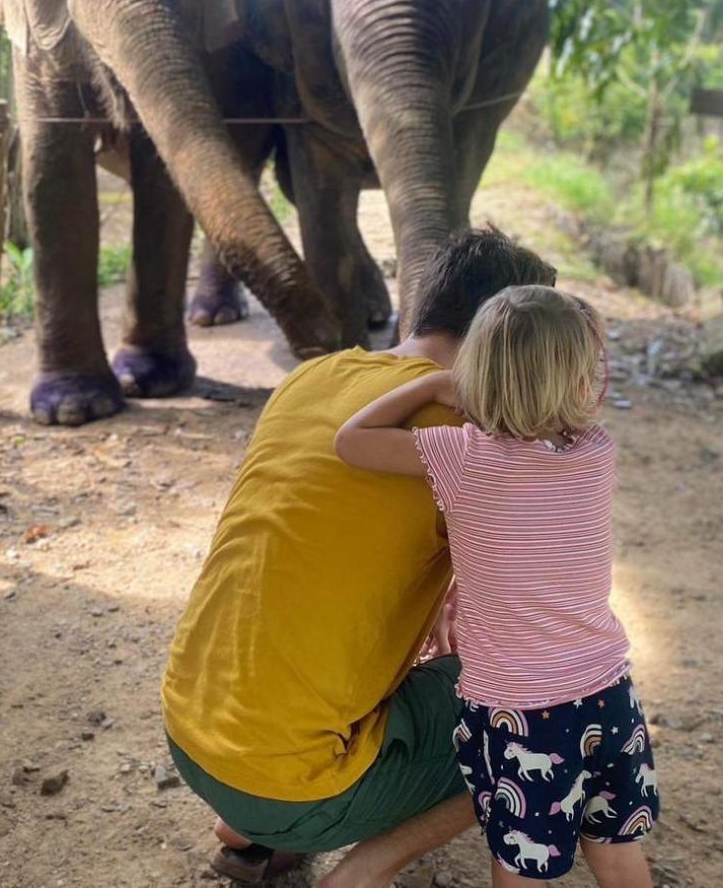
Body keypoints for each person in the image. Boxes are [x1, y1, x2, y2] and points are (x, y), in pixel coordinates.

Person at [161, 227, 559, 887]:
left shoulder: (313, 377)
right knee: (545, 712)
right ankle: (364, 867)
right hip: (292, 785)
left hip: (190, 735)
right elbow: (539, 623)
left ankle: (248, 831)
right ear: (508, 348)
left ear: (418, 308)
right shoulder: (467, 440)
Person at [335, 285, 657, 886]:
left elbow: (350, 440)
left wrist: (431, 386)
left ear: (475, 372)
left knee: (522, 866)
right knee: (615, 852)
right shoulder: (596, 453)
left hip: (519, 710)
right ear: (582, 377)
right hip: (609, 692)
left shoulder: (461, 456)